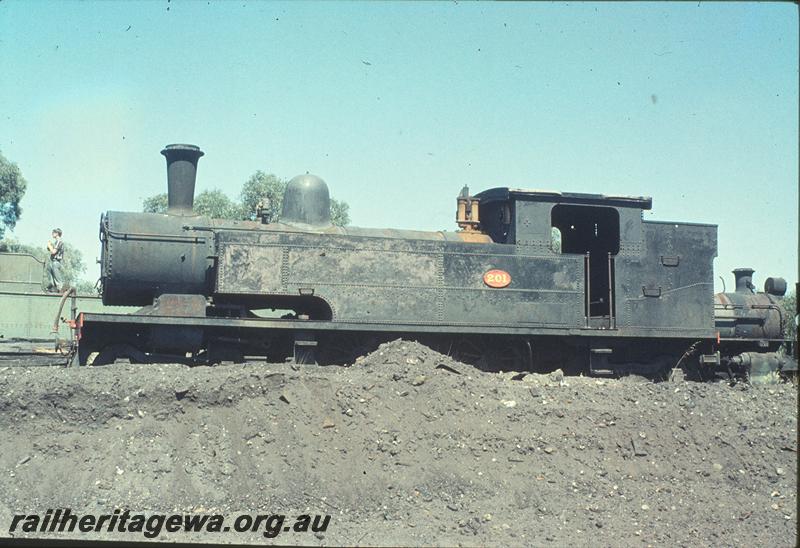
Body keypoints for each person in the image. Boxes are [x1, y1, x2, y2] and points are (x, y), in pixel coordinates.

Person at [46, 228, 64, 293]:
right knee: (49, 268)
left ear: (57, 233)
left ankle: (61, 289)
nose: (52, 234)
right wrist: (50, 246)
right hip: (53, 262)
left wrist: (49, 246)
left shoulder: (59, 241)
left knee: (58, 281)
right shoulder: (56, 242)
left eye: (53, 232)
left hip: (56, 263)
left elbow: (53, 252)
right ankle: (52, 287)